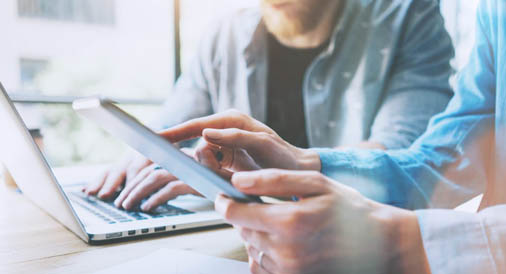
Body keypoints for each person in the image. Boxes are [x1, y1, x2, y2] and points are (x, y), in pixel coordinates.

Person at [156, 0, 506, 272]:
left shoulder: (407, 15)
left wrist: (407, 243)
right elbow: (444, 159)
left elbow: (404, 139)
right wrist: (304, 163)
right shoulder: (494, 10)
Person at [84, 0, 454, 212]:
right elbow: (169, 130)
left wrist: (251, 181)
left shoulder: (408, 16)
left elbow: (405, 157)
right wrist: (138, 158)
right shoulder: (223, 33)